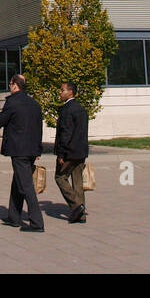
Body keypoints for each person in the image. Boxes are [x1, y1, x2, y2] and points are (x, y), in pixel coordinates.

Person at [0, 73, 45, 232]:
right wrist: (38, 148)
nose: (10, 87)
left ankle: (37, 223)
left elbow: (1, 120)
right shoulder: (34, 104)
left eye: (10, 84)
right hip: (31, 149)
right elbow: (38, 128)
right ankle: (14, 216)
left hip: (19, 149)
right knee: (18, 181)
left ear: (15, 85)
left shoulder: (13, 103)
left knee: (26, 185)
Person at [53, 81, 89, 223]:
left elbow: (65, 133)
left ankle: (77, 207)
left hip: (69, 152)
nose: (60, 93)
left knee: (60, 178)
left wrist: (61, 154)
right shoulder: (81, 109)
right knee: (78, 182)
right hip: (81, 151)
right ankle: (81, 215)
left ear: (70, 92)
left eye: (62, 90)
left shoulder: (67, 110)